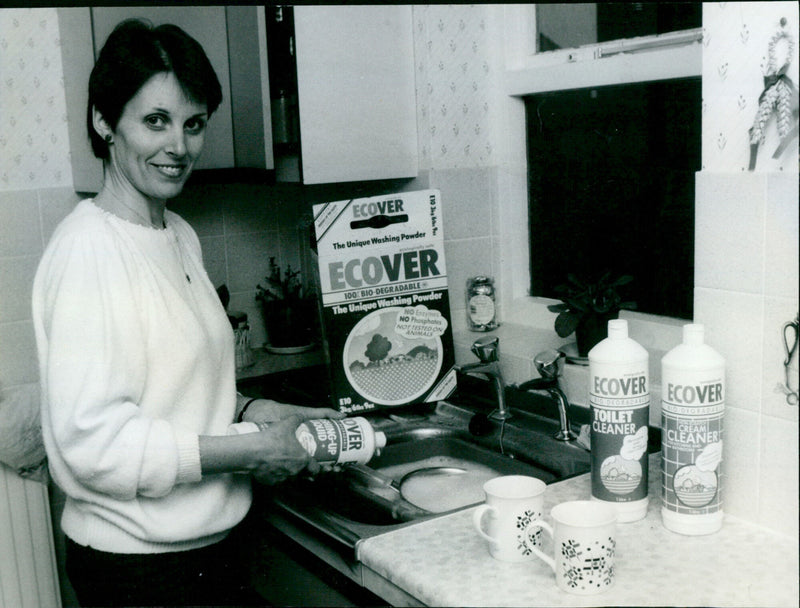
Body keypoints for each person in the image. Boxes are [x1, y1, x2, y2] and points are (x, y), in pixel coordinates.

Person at [31, 19, 342, 607]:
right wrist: (252, 450)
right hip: (139, 571)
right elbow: (95, 447)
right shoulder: (87, 252)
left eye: (193, 124)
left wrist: (264, 409)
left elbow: (183, 388)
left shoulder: (177, 233)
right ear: (104, 121)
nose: (179, 146)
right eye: (156, 121)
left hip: (208, 551)